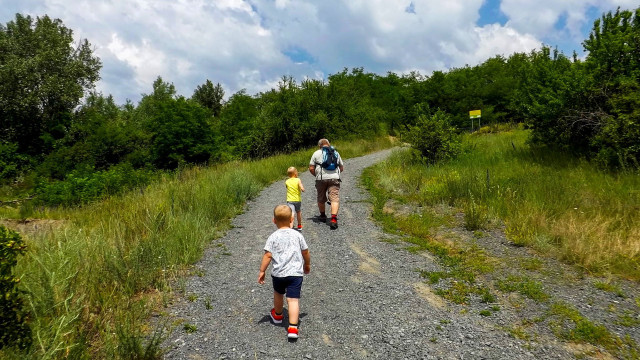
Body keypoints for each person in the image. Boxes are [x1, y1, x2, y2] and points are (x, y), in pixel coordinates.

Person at [258, 205, 311, 339]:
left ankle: (277, 315)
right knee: (293, 300)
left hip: (279, 274)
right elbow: (305, 251)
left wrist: (262, 271)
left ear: (274, 220)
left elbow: (268, 255)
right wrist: (307, 264)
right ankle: (293, 328)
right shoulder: (297, 235)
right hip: (295, 274)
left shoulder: (273, 236)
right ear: (292, 219)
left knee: (278, 294)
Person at [309, 138, 344, 229]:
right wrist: (335, 174)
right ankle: (333, 219)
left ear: (319, 145)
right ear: (329, 144)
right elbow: (341, 167)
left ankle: (323, 216)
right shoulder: (336, 153)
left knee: (321, 197)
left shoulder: (316, 153)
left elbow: (311, 168)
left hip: (321, 178)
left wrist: (316, 175)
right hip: (334, 178)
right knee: (334, 198)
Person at [285, 166, 305, 231]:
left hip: (290, 200)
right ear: (295, 173)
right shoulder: (298, 180)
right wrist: (302, 188)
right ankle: (299, 225)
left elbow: (287, 187)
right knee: (298, 212)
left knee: (291, 213)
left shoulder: (287, 181)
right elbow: (300, 185)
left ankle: (290, 227)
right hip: (297, 200)